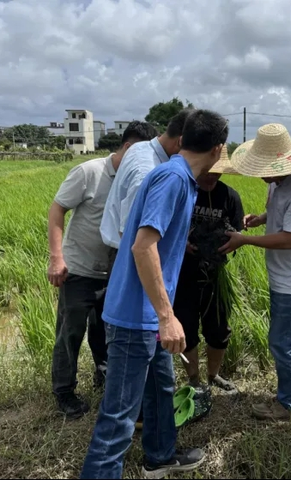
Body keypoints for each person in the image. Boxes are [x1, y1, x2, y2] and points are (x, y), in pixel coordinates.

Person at [80, 109, 229, 480]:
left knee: (162, 387)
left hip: (147, 314)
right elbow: (143, 247)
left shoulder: (178, 176)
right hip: (135, 316)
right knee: (119, 417)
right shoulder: (173, 180)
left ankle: (160, 457)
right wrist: (167, 315)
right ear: (218, 149)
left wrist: (162, 315)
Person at [47, 121, 159, 420]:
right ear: (127, 147)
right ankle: (64, 391)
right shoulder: (90, 172)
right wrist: (56, 258)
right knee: (70, 333)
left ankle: (103, 374)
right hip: (80, 269)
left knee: (105, 331)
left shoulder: (139, 176)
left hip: (114, 272)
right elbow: (57, 209)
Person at [220, 123, 291, 421]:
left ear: (284, 163)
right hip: (288, 275)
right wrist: (261, 218)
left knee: (281, 340)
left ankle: (288, 404)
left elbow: (288, 239)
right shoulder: (278, 181)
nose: (261, 175)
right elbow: (280, 212)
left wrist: (244, 239)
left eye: (264, 169)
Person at [173, 147, 244, 394]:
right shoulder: (184, 192)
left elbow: (237, 231)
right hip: (184, 275)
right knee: (186, 327)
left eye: (217, 173)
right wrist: (182, 244)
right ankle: (194, 380)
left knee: (218, 328)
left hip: (216, 274)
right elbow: (166, 228)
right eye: (208, 172)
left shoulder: (230, 197)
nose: (212, 177)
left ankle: (214, 376)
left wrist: (223, 245)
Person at [100, 108, 194, 274]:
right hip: (131, 260)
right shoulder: (148, 172)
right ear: (180, 142)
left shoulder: (141, 147)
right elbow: (131, 235)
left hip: (124, 254)